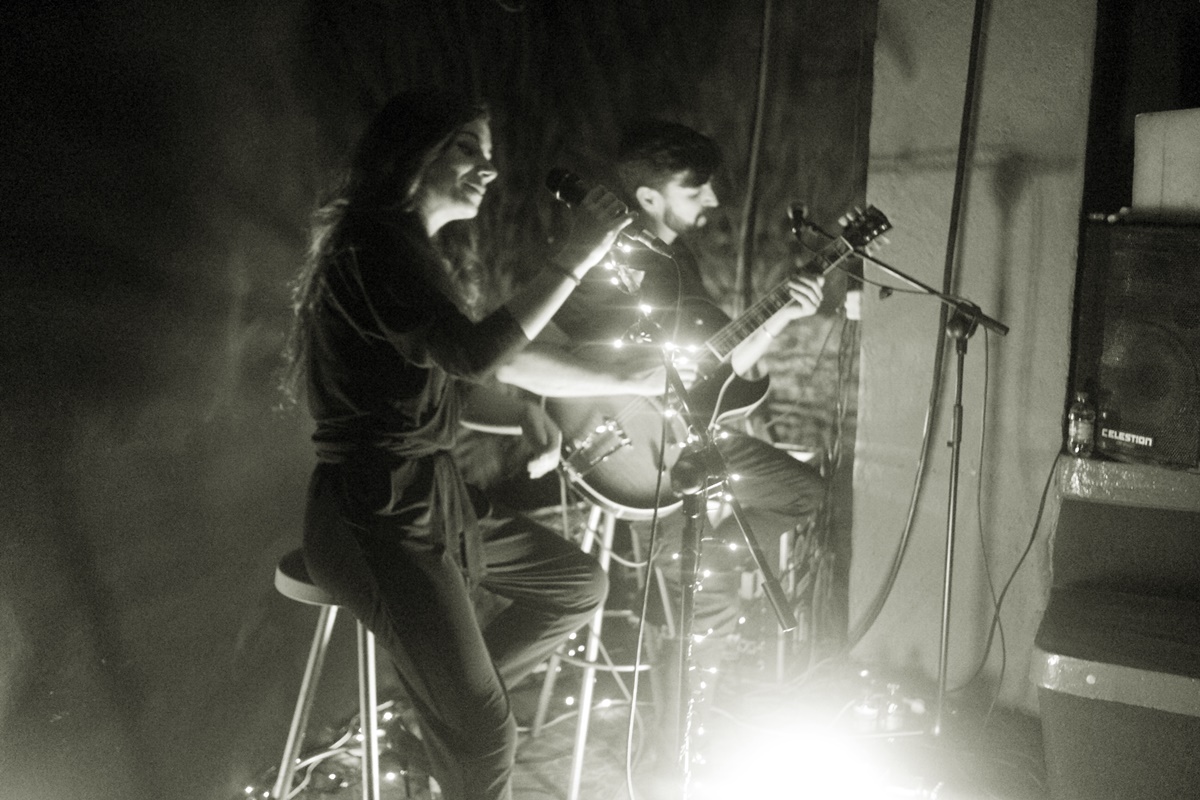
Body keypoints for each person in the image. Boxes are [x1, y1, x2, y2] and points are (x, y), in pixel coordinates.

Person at [280, 89, 656, 800]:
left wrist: (526, 412)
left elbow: (446, 377)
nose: (489, 169)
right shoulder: (371, 247)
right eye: (467, 149)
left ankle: (444, 710)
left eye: (489, 153)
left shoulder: (406, 251)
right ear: (410, 154)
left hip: (432, 500)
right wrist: (575, 257)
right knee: (487, 739)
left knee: (577, 586)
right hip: (375, 514)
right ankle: (462, 720)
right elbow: (473, 353)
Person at [531, 120, 828, 778]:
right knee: (706, 595)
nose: (713, 201)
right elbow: (533, 348)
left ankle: (710, 569)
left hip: (693, 439)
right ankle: (672, 759)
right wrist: (587, 400)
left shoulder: (675, 262)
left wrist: (783, 313)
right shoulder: (603, 260)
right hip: (632, 454)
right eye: (696, 189)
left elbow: (722, 371)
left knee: (805, 493)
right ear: (648, 197)